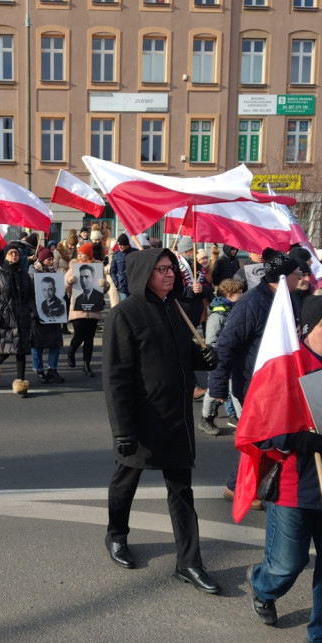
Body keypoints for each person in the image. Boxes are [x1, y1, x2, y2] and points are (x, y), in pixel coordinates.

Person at [241, 296, 322, 643]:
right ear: (307, 331)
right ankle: (262, 586)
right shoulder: (283, 369)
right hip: (295, 486)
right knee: (286, 565)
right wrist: (293, 440)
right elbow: (255, 428)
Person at [103, 248, 220, 594]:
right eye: (161, 270)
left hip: (177, 418)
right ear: (143, 274)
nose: (170, 275)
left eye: (171, 269)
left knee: (181, 490)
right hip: (141, 418)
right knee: (126, 481)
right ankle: (116, 535)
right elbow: (116, 378)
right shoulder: (124, 315)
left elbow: (180, 357)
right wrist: (123, 429)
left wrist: (204, 359)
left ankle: (189, 562)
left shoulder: (176, 309)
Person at [210, 250, 302, 505]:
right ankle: (239, 487)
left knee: (269, 437)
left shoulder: (288, 298)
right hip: (253, 384)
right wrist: (217, 386)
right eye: (298, 274)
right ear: (283, 278)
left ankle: (247, 484)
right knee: (259, 438)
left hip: (280, 383)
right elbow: (226, 345)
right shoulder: (251, 303)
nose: (302, 278)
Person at [0, 243, 34, 396]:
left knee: (21, 352)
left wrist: (31, 309)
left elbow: (31, 295)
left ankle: (21, 384)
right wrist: (2, 307)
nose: (14, 256)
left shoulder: (24, 275)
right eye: (11, 253)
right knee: (5, 352)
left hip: (22, 318)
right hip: (5, 319)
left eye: (16, 254)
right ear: (5, 255)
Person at [199, 278, 243, 436]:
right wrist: (221, 355)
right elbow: (211, 341)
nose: (242, 295)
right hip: (221, 360)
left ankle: (241, 419)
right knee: (214, 391)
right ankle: (206, 418)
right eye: (239, 293)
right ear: (230, 295)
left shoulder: (233, 311)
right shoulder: (217, 317)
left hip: (233, 359)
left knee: (235, 389)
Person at [66, 244, 107, 376]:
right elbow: (64, 285)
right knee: (79, 335)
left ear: (89, 254)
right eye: (78, 254)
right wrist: (69, 282)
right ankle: (71, 352)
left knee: (90, 338)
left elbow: (105, 288)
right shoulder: (73, 267)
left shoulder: (97, 267)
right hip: (78, 309)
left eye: (82, 254)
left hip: (93, 309)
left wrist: (104, 285)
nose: (79, 256)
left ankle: (86, 365)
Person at [30, 248, 66, 383]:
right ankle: (39, 370)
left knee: (55, 343)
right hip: (37, 314)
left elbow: (59, 291)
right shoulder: (32, 273)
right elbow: (29, 294)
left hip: (54, 314)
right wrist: (33, 311)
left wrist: (63, 297)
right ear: (41, 260)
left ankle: (52, 369)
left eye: (52, 259)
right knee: (37, 344)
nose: (51, 261)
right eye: (48, 259)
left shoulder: (53, 273)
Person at [109, 233, 132, 302]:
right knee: (125, 305)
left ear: (127, 245)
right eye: (119, 245)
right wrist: (116, 283)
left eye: (122, 245)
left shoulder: (135, 252)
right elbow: (112, 271)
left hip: (133, 285)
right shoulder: (116, 255)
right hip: (122, 285)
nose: (120, 247)